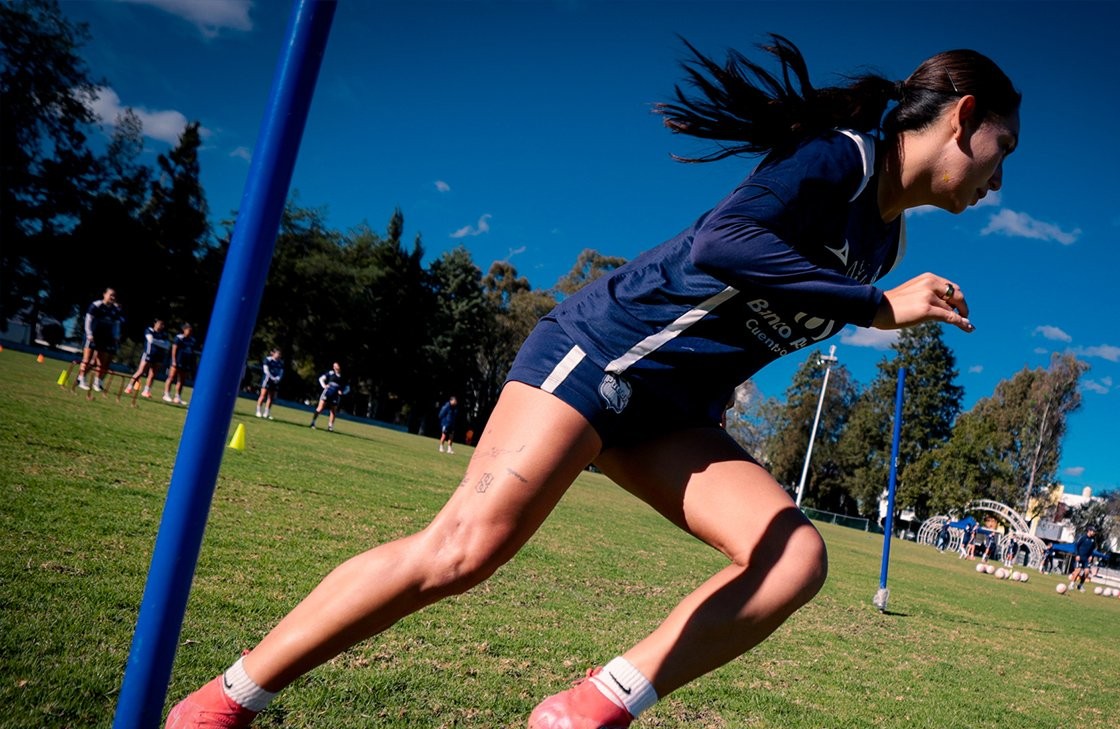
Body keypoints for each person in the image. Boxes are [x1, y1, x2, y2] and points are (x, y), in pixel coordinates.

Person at [168, 35, 1019, 728]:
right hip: (605, 352)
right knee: (465, 550)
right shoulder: (842, 161)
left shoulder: (889, 243)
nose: (999, 180)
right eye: (1001, 151)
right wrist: (874, 308)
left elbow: (752, 319)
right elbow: (723, 243)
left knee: (794, 557)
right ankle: (222, 703)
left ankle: (586, 711)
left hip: (672, 411)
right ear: (963, 118)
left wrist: (835, 315)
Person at [76, 288, 123, 392]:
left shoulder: (114, 309)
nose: (113, 298)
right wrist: (89, 333)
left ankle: (97, 383)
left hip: (105, 338)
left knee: (101, 363)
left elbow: (116, 324)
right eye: (111, 295)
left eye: (114, 296)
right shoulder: (97, 305)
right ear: (104, 294)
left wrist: (116, 336)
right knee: (87, 359)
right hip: (92, 336)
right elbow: (88, 319)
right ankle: (81, 379)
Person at [124, 319, 171, 398]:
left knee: (152, 374)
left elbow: (167, 345)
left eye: (162, 324)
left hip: (159, 355)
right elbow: (150, 340)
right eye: (160, 324)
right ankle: (129, 387)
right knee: (140, 371)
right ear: (155, 324)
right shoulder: (149, 330)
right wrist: (161, 343)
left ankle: (146, 391)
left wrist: (158, 342)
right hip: (149, 354)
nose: (161, 326)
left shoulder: (164, 334)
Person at [162, 323, 196, 404]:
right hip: (177, 361)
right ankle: (166, 394)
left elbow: (192, 351)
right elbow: (174, 349)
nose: (190, 332)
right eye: (188, 330)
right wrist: (174, 360)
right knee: (171, 377)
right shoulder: (179, 338)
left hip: (185, 362)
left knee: (181, 380)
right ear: (184, 330)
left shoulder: (192, 340)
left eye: (191, 331)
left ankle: (178, 397)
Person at [308, 362, 346, 432]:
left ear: (339, 367)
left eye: (336, 366)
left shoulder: (342, 376)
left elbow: (346, 387)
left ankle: (330, 426)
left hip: (335, 395)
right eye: (334, 366)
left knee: (333, 411)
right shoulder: (331, 373)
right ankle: (313, 422)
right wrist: (324, 386)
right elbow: (321, 379)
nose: (334, 367)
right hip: (327, 393)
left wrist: (342, 392)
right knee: (320, 408)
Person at [255, 349, 285, 419]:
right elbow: (266, 370)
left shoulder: (280, 363)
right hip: (267, 380)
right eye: (277, 354)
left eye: (279, 354)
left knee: (271, 398)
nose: (278, 356)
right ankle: (258, 411)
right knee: (262, 395)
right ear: (273, 353)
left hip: (275, 381)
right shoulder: (268, 360)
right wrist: (271, 377)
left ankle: (266, 413)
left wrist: (277, 378)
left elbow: (281, 372)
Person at [1069, 526, 1098, 591]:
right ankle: (1072, 584)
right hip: (1079, 557)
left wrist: (1091, 556)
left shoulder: (1093, 540)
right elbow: (1076, 546)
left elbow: (1092, 550)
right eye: (1093, 531)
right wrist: (1077, 555)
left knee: (1087, 572)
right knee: (1078, 571)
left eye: (1094, 532)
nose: (1094, 533)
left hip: (1086, 559)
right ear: (1089, 531)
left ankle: (1080, 585)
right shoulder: (1083, 537)